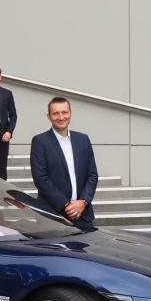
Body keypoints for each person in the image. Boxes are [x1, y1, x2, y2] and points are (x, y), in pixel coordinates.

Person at [29, 97, 99, 228]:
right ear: (48, 116)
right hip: (53, 217)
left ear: (70, 114)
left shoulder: (83, 139)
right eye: (55, 113)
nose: (61, 117)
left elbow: (92, 175)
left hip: (83, 216)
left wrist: (83, 202)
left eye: (64, 112)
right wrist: (66, 205)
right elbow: (41, 179)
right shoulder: (40, 142)